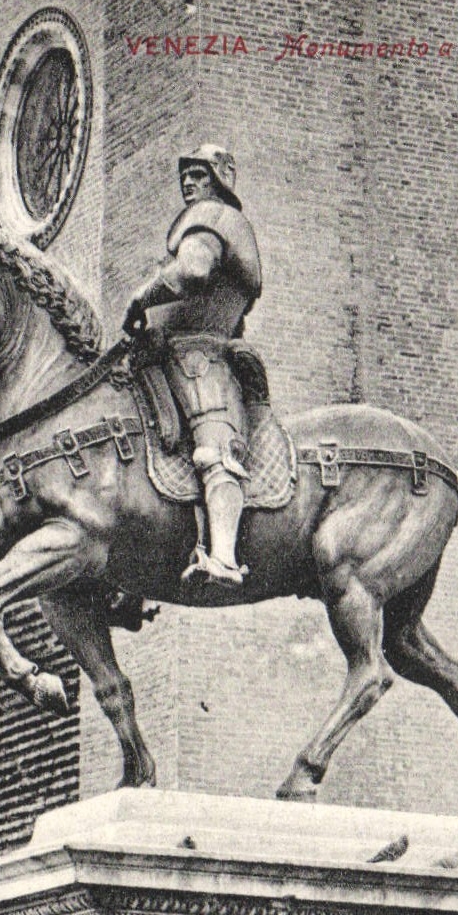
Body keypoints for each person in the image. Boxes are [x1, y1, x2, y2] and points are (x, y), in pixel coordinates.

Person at [123, 145, 262, 585]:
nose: (189, 182)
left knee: (213, 452)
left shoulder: (217, 220)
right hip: (162, 359)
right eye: (186, 175)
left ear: (218, 179)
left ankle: (222, 555)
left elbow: (194, 270)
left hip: (202, 358)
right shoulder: (198, 220)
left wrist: (142, 297)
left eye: (199, 174)